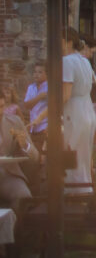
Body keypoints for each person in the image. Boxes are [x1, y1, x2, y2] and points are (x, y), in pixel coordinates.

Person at [62, 29, 96, 188]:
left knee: (72, 153)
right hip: (88, 109)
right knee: (84, 154)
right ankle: (85, 189)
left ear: (68, 42)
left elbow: (65, 94)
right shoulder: (85, 61)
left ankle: (74, 192)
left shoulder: (67, 61)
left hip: (74, 111)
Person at [0, 88, 39, 218]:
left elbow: (35, 157)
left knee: (24, 197)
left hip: (9, 174)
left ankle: (12, 236)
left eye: (1, 107)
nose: (0, 112)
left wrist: (25, 145)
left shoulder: (14, 121)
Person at [23, 62, 47, 151]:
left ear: (46, 74)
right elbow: (26, 105)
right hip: (33, 129)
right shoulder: (31, 87)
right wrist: (39, 97)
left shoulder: (50, 87)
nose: (36, 75)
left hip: (44, 128)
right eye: (35, 72)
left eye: (40, 72)